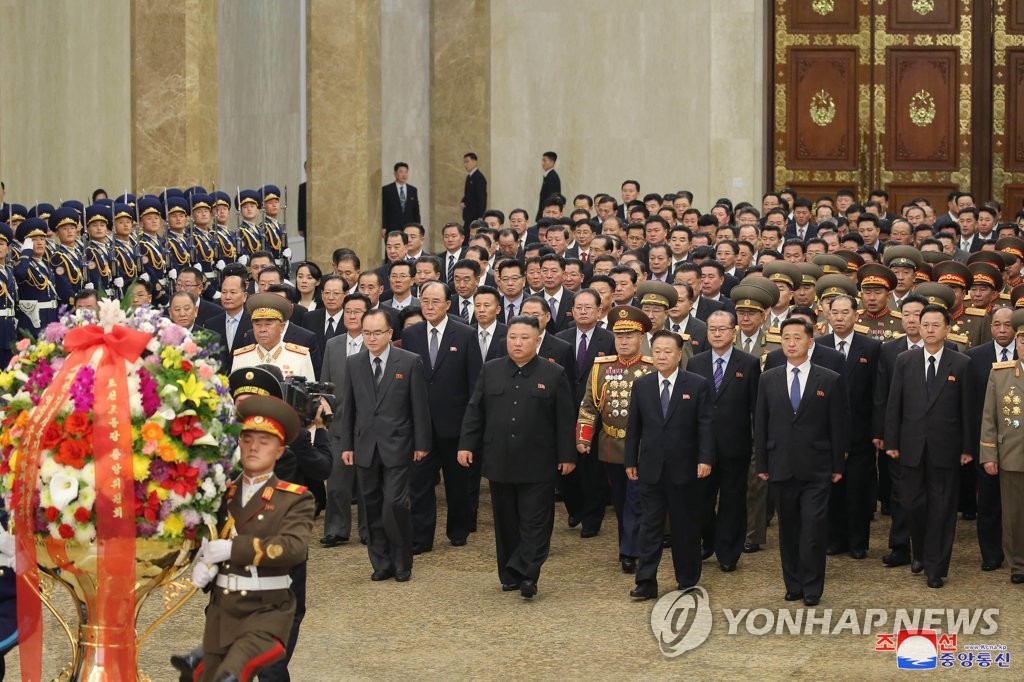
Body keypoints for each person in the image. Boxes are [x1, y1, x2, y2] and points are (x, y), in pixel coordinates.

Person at [189, 395, 314, 682]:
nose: (253, 447)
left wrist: (233, 549)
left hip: (267, 606)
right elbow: (210, 539)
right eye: (246, 439)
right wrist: (204, 562)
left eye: (264, 441)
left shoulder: (294, 498)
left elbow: (293, 549)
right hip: (223, 609)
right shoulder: (223, 493)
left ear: (280, 451)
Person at [458, 315, 576, 599]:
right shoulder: (491, 370)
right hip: (500, 459)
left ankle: (528, 574)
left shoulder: (553, 374)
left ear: (537, 341)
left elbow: (564, 419)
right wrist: (466, 445)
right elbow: (475, 412)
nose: (518, 343)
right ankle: (510, 574)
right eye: (513, 337)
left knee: (535, 522)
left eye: (525, 338)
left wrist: (567, 455)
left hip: (539, 462)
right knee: (506, 521)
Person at [755, 318, 848, 606]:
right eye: (786, 338)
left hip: (817, 467)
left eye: (797, 338)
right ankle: (792, 583)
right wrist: (762, 464)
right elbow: (761, 422)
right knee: (789, 529)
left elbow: (839, 425)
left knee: (813, 528)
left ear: (810, 342)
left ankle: (812, 586)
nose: (791, 343)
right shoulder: (768, 378)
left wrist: (837, 465)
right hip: (780, 465)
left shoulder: (829, 379)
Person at [884, 304, 973, 588]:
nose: (931, 329)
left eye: (937, 325)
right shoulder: (905, 360)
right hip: (910, 446)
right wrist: (892, 441)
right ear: (918, 328)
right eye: (926, 325)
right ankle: (920, 552)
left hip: (946, 448)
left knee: (943, 508)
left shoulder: (960, 363)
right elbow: (894, 404)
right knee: (912, 504)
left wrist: (968, 447)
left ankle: (936, 568)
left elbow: (967, 410)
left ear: (948, 329)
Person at [339, 310, 431, 582]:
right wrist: (347, 444)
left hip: (398, 444)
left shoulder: (409, 362)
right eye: (366, 332)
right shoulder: (354, 363)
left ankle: (402, 561)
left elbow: (420, 407)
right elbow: (349, 407)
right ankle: (380, 562)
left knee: (395, 504)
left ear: (390, 333)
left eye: (377, 332)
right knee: (371, 505)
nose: (371, 338)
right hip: (364, 444)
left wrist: (422, 443)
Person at [624, 330, 714, 599]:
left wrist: (705, 459)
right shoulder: (642, 385)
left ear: (679, 354)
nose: (661, 356)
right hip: (651, 467)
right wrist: (630, 460)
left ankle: (687, 579)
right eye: (658, 351)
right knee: (649, 527)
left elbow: (706, 426)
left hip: (685, 468)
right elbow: (634, 427)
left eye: (668, 352)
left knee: (685, 526)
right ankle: (646, 582)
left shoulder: (697, 385)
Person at [401, 281, 482, 551]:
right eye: (425, 301)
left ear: (448, 304)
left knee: (457, 482)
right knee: (420, 483)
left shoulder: (465, 334)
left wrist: (472, 428)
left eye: (436, 301)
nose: (430, 306)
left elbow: (475, 384)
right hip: (420, 424)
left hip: (455, 424)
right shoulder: (411, 335)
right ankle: (420, 537)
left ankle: (458, 529)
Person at [575, 306, 655, 573]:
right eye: (619, 336)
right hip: (612, 444)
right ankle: (628, 543)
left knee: (637, 499)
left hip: (643, 447)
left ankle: (631, 551)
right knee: (621, 500)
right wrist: (584, 438)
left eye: (630, 336)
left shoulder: (651, 368)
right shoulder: (601, 368)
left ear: (641, 338)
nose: (623, 341)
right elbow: (589, 406)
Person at [689, 310, 761, 571]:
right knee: (702, 500)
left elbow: (756, 408)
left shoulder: (749, 363)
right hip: (702, 448)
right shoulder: (696, 363)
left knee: (732, 500)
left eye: (722, 329)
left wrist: (757, 444)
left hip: (736, 446)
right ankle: (708, 541)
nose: (717, 334)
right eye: (712, 329)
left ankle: (728, 553)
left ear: (734, 332)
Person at [815, 293, 881, 560]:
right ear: (827, 316)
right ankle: (835, 538)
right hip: (826, 431)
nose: (839, 318)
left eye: (845, 313)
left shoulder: (872, 347)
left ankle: (858, 541)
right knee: (832, 488)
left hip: (860, 431)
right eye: (835, 313)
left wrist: (877, 431)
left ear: (856, 315)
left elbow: (878, 394)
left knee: (857, 488)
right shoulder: (818, 347)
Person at [968, 306, 1018, 572]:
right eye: (996, 324)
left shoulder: (1023, 354)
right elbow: (969, 404)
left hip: (1016, 444)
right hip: (986, 441)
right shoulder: (975, 357)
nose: (1001, 330)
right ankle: (990, 554)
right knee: (987, 502)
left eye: (1007, 325)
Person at [319, 293, 371, 548]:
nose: (352, 316)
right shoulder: (333, 344)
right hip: (338, 423)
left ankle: (368, 529)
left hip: (367, 425)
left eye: (358, 311)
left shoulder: (375, 343)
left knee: (366, 482)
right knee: (337, 483)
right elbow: (325, 383)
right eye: (348, 311)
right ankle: (336, 530)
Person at [979, 308, 1024, 584]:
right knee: (1014, 515)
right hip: (1013, 455)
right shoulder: (1001, 374)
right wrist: (988, 455)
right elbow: (989, 418)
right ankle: (1018, 564)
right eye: (1022, 340)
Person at [232, 293, 315, 379]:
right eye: (257, 324)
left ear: (282, 327)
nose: (262, 329)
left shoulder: (299, 357)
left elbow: (308, 391)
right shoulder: (241, 357)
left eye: (268, 324)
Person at [381, 162, 421, 237]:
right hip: (392, 227)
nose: (404, 175)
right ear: (395, 173)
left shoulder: (412, 190)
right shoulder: (387, 190)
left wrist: (418, 227)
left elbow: (416, 210)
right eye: (401, 172)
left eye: (406, 172)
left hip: (409, 228)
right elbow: (384, 209)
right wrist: (383, 226)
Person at [460, 152, 487, 230]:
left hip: (475, 216)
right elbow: (468, 194)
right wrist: (463, 201)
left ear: (474, 162)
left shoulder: (479, 177)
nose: (465, 165)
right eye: (464, 162)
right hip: (468, 215)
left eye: (467, 162)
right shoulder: (469, 177)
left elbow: (482, 198)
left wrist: (481, 216)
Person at [538, 151, 561, 219]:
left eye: (545, 161)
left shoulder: (552, 177)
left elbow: (551, 198)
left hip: (548, 217)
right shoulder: (548, 176)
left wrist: (547, 214)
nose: (542, 163)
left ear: (552, 162)